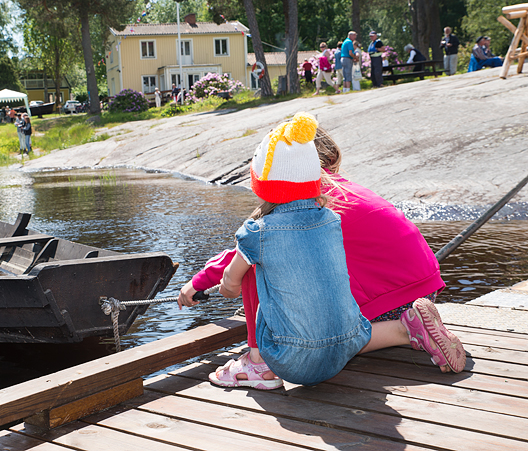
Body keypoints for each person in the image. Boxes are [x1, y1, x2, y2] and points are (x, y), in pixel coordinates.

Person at [178, 115, 466, 388]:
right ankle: (411, 327)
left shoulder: (317, 205)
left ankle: (259, 362)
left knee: (256, 266)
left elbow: (242, 254)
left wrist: (199, 282)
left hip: (393, 302)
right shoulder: (340, 196)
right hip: (422, 292)